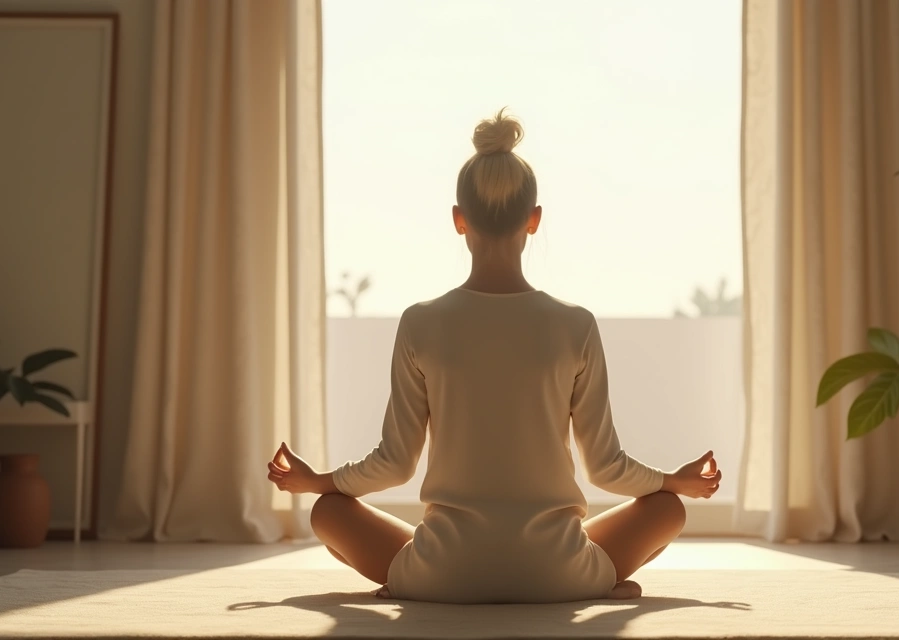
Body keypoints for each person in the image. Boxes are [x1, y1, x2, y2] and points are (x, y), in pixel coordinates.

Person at [267, 109, 723, 605]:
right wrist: (671, 480)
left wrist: (320, 481)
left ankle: (410, 582)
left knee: (327, 512)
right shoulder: (575, 324)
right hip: (560, 573)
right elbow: (606, 469)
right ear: (535, 219)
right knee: (668, 508)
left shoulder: (421, 322)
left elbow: (394, 465)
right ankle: (595, 583)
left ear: (459, 220)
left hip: (440, 574)